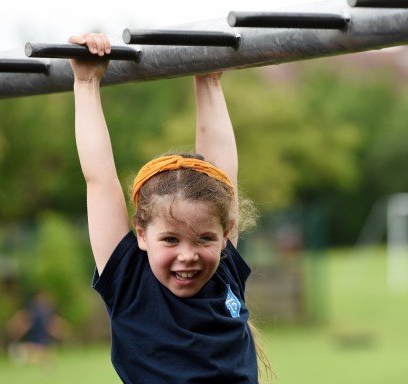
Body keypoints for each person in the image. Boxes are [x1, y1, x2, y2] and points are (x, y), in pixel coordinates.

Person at [69, 33, 271, 383]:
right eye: (171, 240)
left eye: (204, 238)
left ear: (225, 235)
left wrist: (208, 77)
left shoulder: (223, 271)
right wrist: (86, 84)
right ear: (142, 233)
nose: (189, 255)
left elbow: (224, 173)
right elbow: (99, 181)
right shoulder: (129, 282)